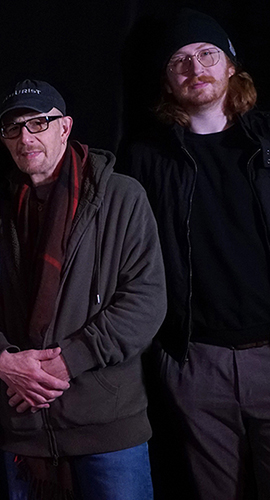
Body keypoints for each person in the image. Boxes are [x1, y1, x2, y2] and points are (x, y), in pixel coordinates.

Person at [0, 79, 166, 500]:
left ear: (65, 127)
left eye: (39, 123)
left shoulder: (121, 196)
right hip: (22, 423)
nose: (26, 137)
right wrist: (1, 361)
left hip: (107, 425)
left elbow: (145, 301)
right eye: (13, 128)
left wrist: (70, 361)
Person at [123, 9, 270, 499]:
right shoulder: (145, 157)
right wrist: (168, 356)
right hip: (195, 361)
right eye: (179, 61)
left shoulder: (268, 140)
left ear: (231, 65)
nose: (195, 68)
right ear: (167, 80)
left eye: (207, 54)